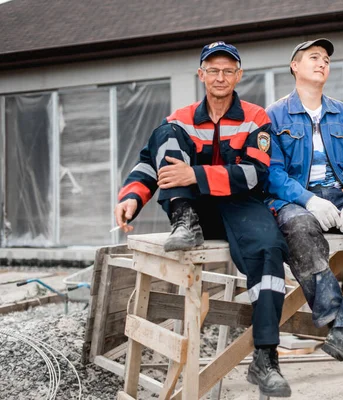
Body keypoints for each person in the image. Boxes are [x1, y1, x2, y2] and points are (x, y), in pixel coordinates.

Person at [113, 42, 291, 397]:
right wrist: (131, 197)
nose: (220, 77)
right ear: (201, 75)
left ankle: (266, 357)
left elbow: (257, 175)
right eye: (213, 70)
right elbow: (150, 163)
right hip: (194, 210)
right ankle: (184, 222)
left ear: (238, 76)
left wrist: (196, 175)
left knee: (270, 250)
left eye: (228, 70)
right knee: (163, 135)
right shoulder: (178, 120)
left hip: (241, 205)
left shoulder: (256, 117)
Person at [265, 38, 343, 375]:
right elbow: (271, 173)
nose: (322, 63)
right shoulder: (274, 115)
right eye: (313, 58)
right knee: (298, 226)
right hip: (296, 198)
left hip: (340, 195)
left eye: (325, 59)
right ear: (295, 66)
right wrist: (308, 199)